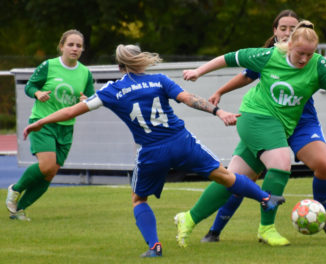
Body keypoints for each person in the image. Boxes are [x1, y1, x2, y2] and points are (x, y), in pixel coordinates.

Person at [22, 44, 285, 257]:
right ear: (140, 61)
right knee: (224, 176)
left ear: (119, 66)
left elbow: (70, 111)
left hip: (151, 151)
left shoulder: (112, 90)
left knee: (139, 200)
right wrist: (219, 111)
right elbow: (190, 99)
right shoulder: (159, 80)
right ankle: (264, 198)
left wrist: (40, 121)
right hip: (181, 142)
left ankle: (154, 247)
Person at [181, 20, 326, 247]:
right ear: (289, 46)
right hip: (255, 116)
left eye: (310, 54)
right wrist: (199, 71)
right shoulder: (269, 55)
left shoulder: (318, 65)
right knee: (280, 162)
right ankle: (266, 228)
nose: (304, 59)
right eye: (300, 54)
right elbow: (230, 58)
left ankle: (188, 219)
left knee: (234, 178)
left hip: (285, 125)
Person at [5, 29, 95, 221]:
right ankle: (16, 189)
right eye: (70, 44)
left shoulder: (85, 73)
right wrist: (38, 94)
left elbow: (89, 98)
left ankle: (18, 209)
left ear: (82, 50)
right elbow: (30, 86)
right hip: (42, 122)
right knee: (46, 165)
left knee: (50, 172)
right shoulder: (49, 65)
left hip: (66, 127)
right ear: (61, 46)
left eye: (78, 46)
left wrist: (85, 99)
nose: (74, 48)